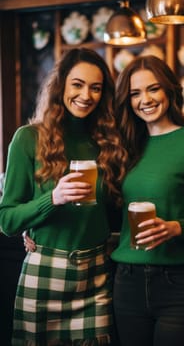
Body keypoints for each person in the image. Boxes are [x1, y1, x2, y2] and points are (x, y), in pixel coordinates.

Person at [0, 48, 128, 346]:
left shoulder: (106, 142)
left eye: (96, 88)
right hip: (46, 269)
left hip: (95, 272)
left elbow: (114, 214)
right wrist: (52, 199)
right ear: (61, 86)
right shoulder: (28, 138)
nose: (86, 95)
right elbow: (6, 220)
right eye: (78, 84)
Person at [110, 55, 184, 346]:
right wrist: (34, 227)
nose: (145, 100)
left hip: (177, 283)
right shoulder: (124, 145)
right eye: (135, 93)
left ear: (169, 91)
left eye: (153, 89)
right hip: (127, 281)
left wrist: (176, 228)